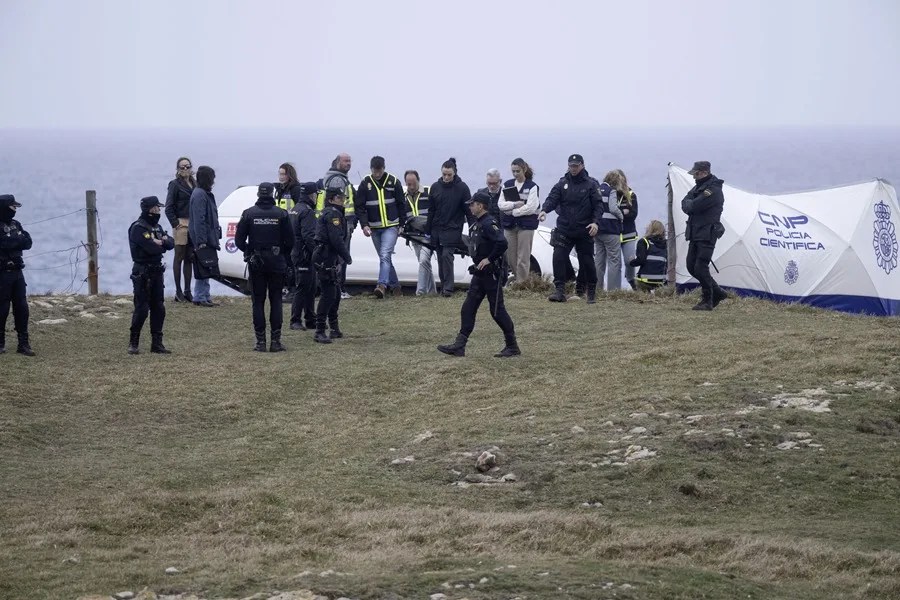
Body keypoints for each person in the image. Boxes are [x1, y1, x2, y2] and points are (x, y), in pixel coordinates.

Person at [437, 191, 519, 358]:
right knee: (468, 308)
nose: (470, 207)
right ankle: (459, 346)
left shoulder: (489, 223)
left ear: (480, 206)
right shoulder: (477, 223)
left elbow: (502, 243)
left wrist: (489, 259)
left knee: (497, 311)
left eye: (472, 204)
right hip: (480, 274)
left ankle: (512, 346)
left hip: (492, 275)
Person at [235, 182, 294, 352]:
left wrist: (249, 252)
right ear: (272, 194)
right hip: (277, 262)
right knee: (276, 300)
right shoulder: (281, 214)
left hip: (256, 263)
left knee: (258, 302)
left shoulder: (248, 213)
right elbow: (290, 241)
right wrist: (282, 255)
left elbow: (239, 240)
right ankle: (275, 341)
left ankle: (260, 342)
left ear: (258, 195)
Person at [539, 154, 603, 303]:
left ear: (582, 165)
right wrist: (544, 210)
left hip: (584, 229)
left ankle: (590, 292)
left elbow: (599, 205)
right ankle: (560, 290)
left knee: (587, 261)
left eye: (576, 166)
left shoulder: (591, 184)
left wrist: (595, 223)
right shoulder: (562, 183)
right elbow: (552, 198)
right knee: (558, 256)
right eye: (571, 166)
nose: (573, 168)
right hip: (565, 228)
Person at [127, 196, 175, 354]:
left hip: (157, 271)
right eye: (157, 208)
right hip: (142, 272)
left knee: (159, 307)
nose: (159, 211)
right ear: (150, 209)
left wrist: (161, 242)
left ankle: (157, 344)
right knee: (141, 308)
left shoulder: (157, 227)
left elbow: (171, 243)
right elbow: (151, 248)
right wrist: (160, 243)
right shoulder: (138, 228)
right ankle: (133, 342)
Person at [355, 156, 407, 298]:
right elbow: (360, 207)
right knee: (385, 257)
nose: (377, 174)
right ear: (371, 169)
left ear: (384, 168)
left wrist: (402, 224)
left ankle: (382, 285)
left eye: (380, 171)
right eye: (375, 171)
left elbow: (401, 204)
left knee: (384, 255)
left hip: (391, 226)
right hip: (374, 228)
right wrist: (364, 225)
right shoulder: (365, 183)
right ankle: (396, 288)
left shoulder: (393, 181)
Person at [681, 160, 727, 310]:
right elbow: (684, 202)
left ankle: (707, 300)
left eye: (696, 174)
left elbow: (693, 205)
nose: (694, 177)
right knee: (691, 266)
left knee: (701, 267)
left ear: (704, 172)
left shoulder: (713, 190)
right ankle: (718, 292)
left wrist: (690, 204)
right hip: (695, 232)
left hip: (707, 233)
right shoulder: (699, 186)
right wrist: (690, 204)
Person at [313, 188, 353, 344]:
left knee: (335, 293)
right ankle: (319, 330)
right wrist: (347, 256)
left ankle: (334, 327)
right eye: (339, 197)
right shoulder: (332, 214)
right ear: (330, 199)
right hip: (325, 257)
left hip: (329, 256)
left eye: (343, 197)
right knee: (328, 294)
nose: (342, 200)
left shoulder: (333, 213)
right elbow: (336, 239)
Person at [427, 157, 471, 297]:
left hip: (453, 228)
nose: (446, 177)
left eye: (449, 175)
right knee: (440, 257)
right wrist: (428, 230)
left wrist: (473, 228)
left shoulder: (462, 188)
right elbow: (431, 210)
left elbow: (468, 211)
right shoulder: (435, 187)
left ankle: (448, 288)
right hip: (437, 228)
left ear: (454, 173)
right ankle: (444, 285)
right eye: (444, 174)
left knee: (447, 255)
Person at [318, 153, 356, 299]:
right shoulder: (338, 180)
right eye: (345, 161)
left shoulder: (341, 178)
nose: (349, 163)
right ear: (337, 163)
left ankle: (337, 288)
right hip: (339, 223)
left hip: (343, 222)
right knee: (340, 256)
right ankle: (338, 289)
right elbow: (335, 204)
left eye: (350, 161)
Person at [0, 194, 34, 356]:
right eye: (12, 207)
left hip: (17, 273)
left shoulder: (16, 224)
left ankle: (23, 343)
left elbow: (28, 242)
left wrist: (14, 240)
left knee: (22, 308)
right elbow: (5, 242)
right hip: (2, 274)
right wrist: (16, 239)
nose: (15, 210)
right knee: (2, 309)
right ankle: (0, 343)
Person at [497, 158, 540, 284]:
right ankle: (518, 279)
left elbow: (531, 207)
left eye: (518, 171)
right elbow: (501, 204)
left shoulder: (532, 186)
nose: (515, 174)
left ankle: (522, 283)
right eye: (513, 171)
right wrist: (514, 205)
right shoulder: (507, 184)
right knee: (510, 256)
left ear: (524, 169)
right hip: (510, 225)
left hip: (526, 226)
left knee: (523, 256)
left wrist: (514, 212)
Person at [188, 165, 221, 307]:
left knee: (207, 266)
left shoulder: (201, 193)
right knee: (203, 265)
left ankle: (204, 295)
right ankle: (200, 296)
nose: (213, 181)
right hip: (204, 238)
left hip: (208, 236)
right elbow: (199, 219)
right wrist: (201, 240)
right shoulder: (200, 195)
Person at [163, 157, 195, 303]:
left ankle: (188, 290)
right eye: (182, 167)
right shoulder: (174, 185)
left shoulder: (195, 183)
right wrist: (175, 223)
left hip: (193, 224)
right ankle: (178, 291)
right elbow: (168, 207)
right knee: (179, 256)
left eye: (187, 166)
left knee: (190, 257)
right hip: (181, 223)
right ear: (177, 169)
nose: (185, 169)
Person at [289, 182, 319, 330]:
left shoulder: (295, 209)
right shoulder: (307, 212)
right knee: (303, 287)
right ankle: (295, 320)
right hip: (304, 254)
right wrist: (317, 253)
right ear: (312, 195)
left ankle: (310, 318)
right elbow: (309, 236)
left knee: (310, 287)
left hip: (296, 252)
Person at [403, 170, 436, 295]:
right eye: (408, 184)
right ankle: (432, 292)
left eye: (413, 183)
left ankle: (420, 292)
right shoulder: (403, 197)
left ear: (418, 180)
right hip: (414, 237)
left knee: (423, 260)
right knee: (425, 264)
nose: (411, 187)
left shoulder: (428, 192)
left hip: (428, 235)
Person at [593, 170, 625, 291]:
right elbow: (613, 208)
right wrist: (621, 216)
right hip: (611, 229)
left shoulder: (596, 189)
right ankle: (613, 290)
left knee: (599, 260)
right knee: (614, 261)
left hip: (598, 229)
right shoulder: (611, 191)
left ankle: (597, 288)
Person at [276, 163, 303, 296]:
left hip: (292, 228)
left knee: (292, 259)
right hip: (281, 228)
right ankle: (285, 285)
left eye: (283, 174)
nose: (281, 177)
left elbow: (299, 208)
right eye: (280, 174)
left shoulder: (295, 189)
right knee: (284, 259)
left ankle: (292, 286)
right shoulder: (280, 190)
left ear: (289, 175)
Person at [615, 169, 640, 289]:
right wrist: (623, 212)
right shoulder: (610, 194)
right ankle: (616, 289)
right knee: (616, 264)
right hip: (614, 234)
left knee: (629, 261)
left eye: (620, 179)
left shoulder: (631, 194)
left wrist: (618, 214)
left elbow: (633, 214)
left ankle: (631, 280)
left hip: (628, 234)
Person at [629, 219, 667, 292]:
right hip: (661, 281)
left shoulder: (644, 241)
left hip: (645, 280)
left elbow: (641, 260)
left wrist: (631, 262)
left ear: (650, 229)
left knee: (636, 284)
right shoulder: (667, 244)